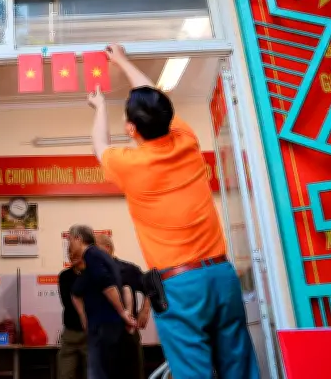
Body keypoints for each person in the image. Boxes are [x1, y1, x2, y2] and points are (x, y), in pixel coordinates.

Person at [87, 43, 259, 379]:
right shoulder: (186, 139)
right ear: (167, 117)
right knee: (240, 368)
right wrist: (122, 60)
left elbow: (99, 146)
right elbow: (154, 96)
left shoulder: (130, 165)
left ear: (131, 129)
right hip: (222, 276)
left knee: (193, 373)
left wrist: (99, 106)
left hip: (181, 286)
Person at [67, 224, 138, 379]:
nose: (69, 245)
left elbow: (108, 286)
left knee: (100, 373)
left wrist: (123, 312)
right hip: (100, 325)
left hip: (105, 325)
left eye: (70, 240)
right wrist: (83, 316)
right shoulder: (92, 259)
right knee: (98, 371)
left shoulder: (92, 255)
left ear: (78, 239)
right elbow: (76, 291)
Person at [95, 234, 149, 379]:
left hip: (127, 333)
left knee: (133, 373)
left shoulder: (129, 269)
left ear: (107, 248)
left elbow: (150, 288)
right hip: (103, 334)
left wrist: (145, 311)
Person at [57, 253, 87, 379]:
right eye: (71, 253)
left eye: (77, 253)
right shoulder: (65, 276)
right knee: (65, 373)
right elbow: (67, 302)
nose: (73, 256)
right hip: (71, 332)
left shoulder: (95, 274)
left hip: (92, 332)